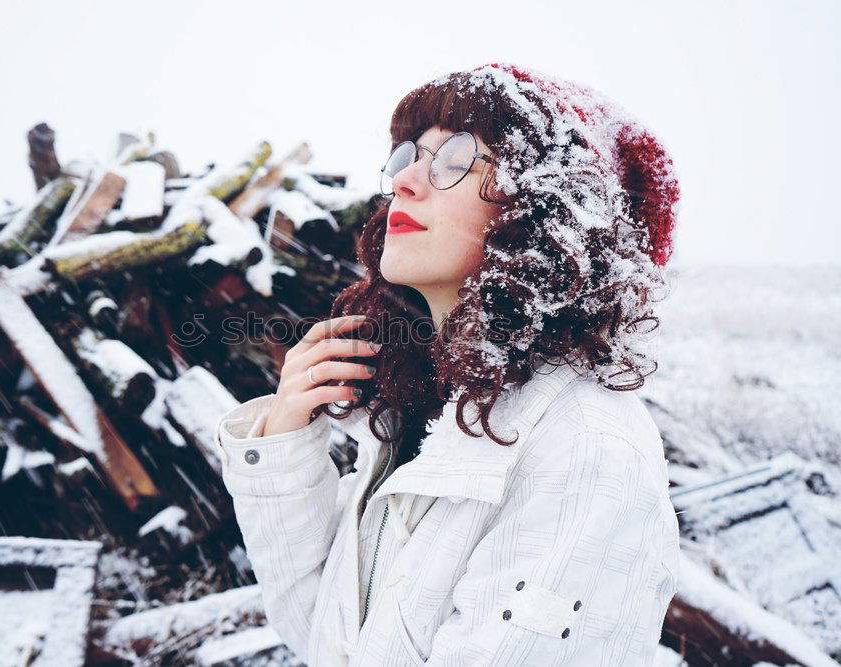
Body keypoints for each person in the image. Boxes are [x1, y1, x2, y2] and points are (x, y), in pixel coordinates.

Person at [213, 62, 681, 665]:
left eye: (456, 157)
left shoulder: (584, 445)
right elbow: (330, 640)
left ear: (546, 208)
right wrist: (283, 444)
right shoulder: (429, 411)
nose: (405, 180)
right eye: (407, 154)